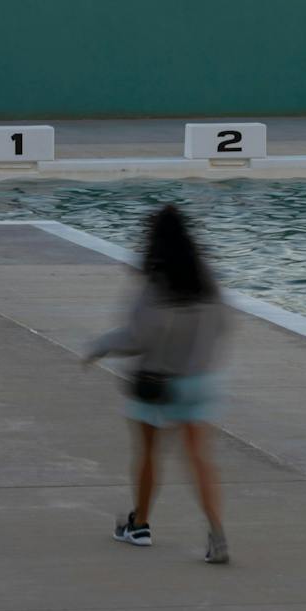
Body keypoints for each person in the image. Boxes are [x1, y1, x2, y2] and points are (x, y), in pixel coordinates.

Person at [83, 204, 233, 564]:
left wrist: (100, 347)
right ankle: (217, 533)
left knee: (149, 455)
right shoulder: (206, 279)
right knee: (200, 459)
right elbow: (223, 325)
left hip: (157, 383)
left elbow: (137, 336)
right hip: (197, 381)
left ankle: (140, 525)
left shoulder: (155, 283)